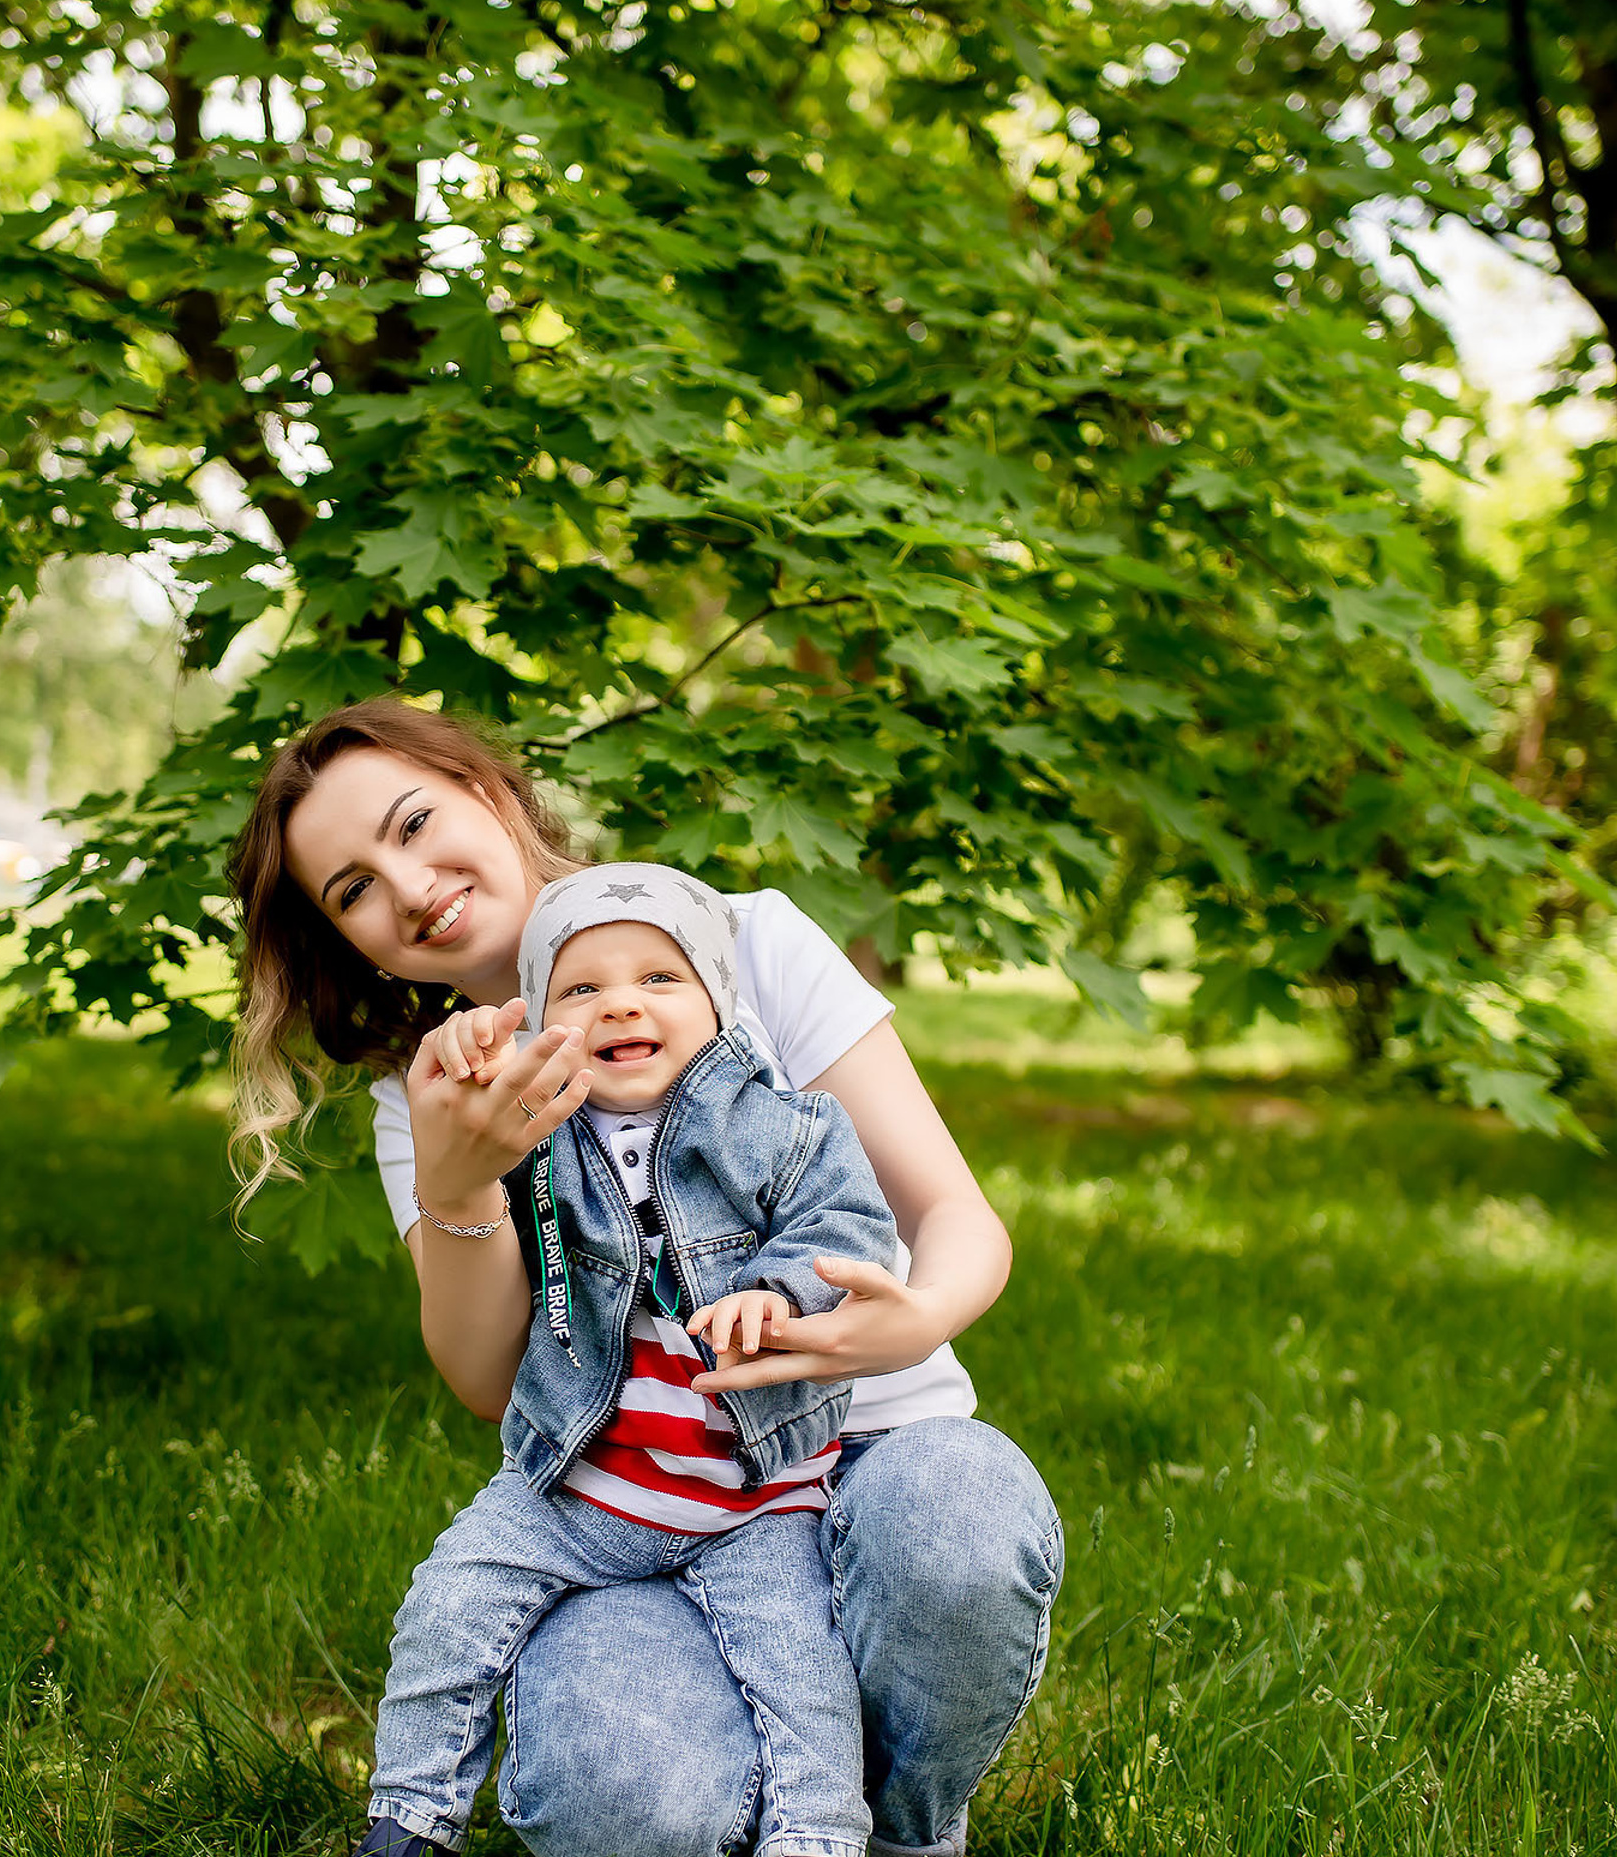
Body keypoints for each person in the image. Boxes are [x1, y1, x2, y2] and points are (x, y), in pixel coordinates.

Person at [230, 699, 1064, 1857]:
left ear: (495, 791)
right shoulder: (424, 1102)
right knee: (612, 1802)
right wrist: (465, 1184)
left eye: (416, 823)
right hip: (634, 1511)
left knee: (957, 1522)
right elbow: (484, 1381)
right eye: (354, 888)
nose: (409, 885)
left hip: (870, 1453)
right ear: (351, 942)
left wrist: (912, 1322)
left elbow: (954, 1216)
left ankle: (907, 1834)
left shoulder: (751, 942)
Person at [354, 862, 897, 1857]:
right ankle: (409, 1818)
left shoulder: (781, 1127)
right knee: (449, 1613)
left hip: (756, 1497)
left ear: (717, 1004)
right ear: (540, 1022)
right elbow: (480, 1203)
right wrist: (474, 1066)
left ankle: (817, 1840)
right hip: (580, 1485)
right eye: (580, 988)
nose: (619, 1005)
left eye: (658, 979)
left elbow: (851, 1226)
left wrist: (779, 1294)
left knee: (803, 1692)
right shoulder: (533, 1133)